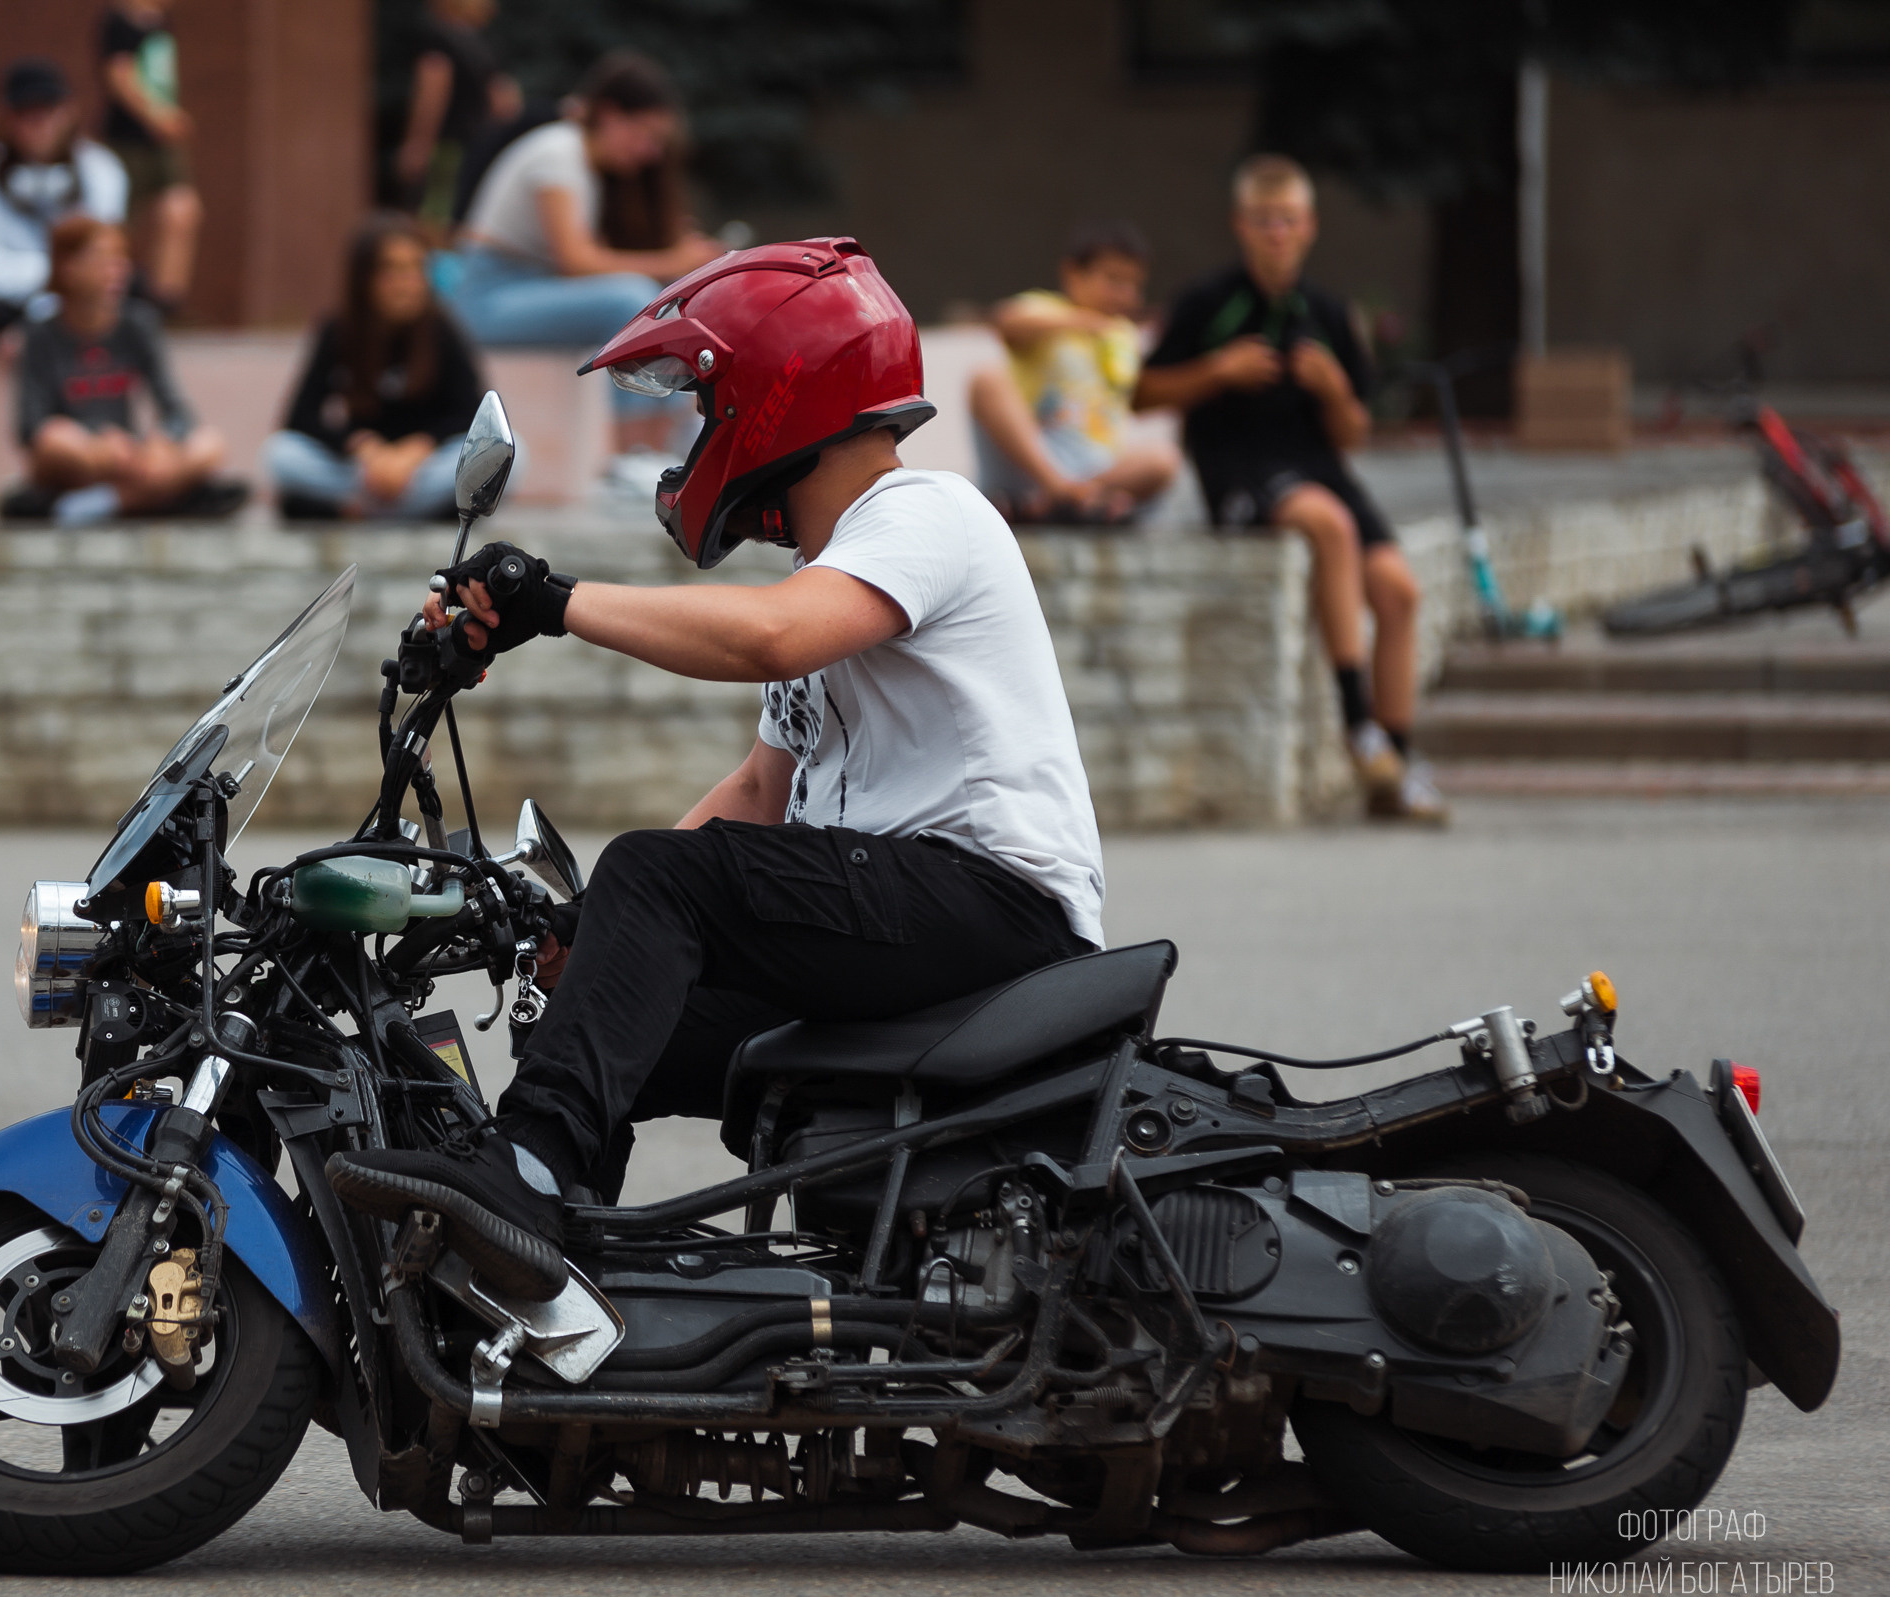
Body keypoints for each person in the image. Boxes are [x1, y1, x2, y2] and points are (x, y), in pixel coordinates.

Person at [325, 238, 1105, 1300]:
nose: (699, 434)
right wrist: (588, 929)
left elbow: (770, 638)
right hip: (905, 924)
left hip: (999, 911)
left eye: (705, 404)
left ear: (779, 394)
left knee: (655, 874)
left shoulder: (924, 513)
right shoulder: (837, 573)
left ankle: (522, 1178)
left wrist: (552, 602)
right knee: (612, 1016)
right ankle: (549, 1294)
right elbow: (758, 792)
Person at [1134, 156, 1444, 823]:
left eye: (1288, 220)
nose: (1276, 233)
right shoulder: (1208, 301)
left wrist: (1333, 389)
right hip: (1239, 469)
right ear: (1240, 225)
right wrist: (1218, 371)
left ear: (1310, 227)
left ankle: (1392, 768)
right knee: (1329, 524)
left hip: (1319, 466)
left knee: (1399, 590)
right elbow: (1142, 393)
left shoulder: (1328, 312)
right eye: (1264, 221)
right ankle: (1358, 725)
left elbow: (1354, 433)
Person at [450, 51, 723, 460]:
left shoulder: (585, 165)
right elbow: (576, 262)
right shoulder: (559, 154)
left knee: (652, 300)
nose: (650, 152)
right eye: (646, 135)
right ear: (610, 115)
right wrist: (675, 260)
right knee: (629, 300)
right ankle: (633, 455)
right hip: (487, 300)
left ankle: (675, 440)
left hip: (525, 290)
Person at [4, 217, 244, 522]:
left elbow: (177, 410)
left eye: (121, 259)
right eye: (103, 259)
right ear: (68, 268)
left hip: (132, 455)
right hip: (83, 456)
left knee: (210, 444)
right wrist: (99, 440)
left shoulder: (138, 325)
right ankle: (160, 498)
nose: (117, 270)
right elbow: (31, 428)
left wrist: (162, 441)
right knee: (55, 440)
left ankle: (109, 502)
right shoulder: (41, 335)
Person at [265, 215, 487, 521]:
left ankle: (373, 511)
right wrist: (363, 448)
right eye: (392, 270)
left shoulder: (442, 330)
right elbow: (300, 417)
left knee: (507, 455)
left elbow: (473, 415)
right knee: (281, 454)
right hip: (362, 473)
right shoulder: (339, 331)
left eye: (415, 268)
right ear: (364, 278)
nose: (406, 283)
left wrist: (416, 450)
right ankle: (405, 512)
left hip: (423, 470)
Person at [968, 221, 1178, 524]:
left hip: (1093, 470)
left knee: (1162, 459)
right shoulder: (1048, 309)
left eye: (1134, 286)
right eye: (1114, 281)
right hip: (1031, 467)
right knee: (987, 380)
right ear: (1073, 274)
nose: (1125, 296)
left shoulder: (1124, 337)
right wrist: (1085, 322)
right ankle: (1061, 494)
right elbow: (1006, 320)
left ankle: (1063, 502)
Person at [0, 58, 130, 335]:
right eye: (25, 114)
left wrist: (64, 280)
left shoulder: (100, 167)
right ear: (6, 119)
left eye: (47, 111)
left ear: (69, 112)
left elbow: (101, 248)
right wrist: (43, 279)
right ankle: (30, 331)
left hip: (74, 293)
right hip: (4, 297)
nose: (38, 124)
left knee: (131, 284)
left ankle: (22, 332)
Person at [96, 1, 204, 311]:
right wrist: (156, 116)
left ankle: (165, 303)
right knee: (116, 224)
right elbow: (118, 75)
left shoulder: (161, 21)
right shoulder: (119, 22)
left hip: (162, 144)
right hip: (127, 141)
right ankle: (110, 300)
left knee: (182, 210)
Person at [391, 0, 521, 231]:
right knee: (456, 217)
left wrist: (418, 144)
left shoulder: (439, 39)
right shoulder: (479, 45)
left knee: (431, 217)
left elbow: (432, 92)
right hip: (476, 144)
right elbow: (506, 104)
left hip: (445, 144)